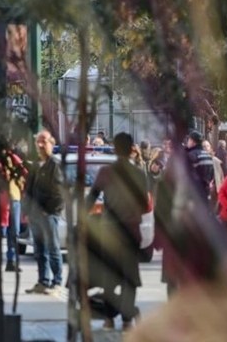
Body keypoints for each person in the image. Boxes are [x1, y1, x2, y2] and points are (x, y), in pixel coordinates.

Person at [86, 133, 149, 330]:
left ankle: (109, 318)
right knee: (129, 277)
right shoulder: (139, 173)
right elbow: (144, 204)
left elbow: (91, 198)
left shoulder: (106, 172)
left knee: (109, 277)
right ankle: (128, 318)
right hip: (131, 230)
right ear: (132, 148)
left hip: (110, 230)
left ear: (114, 148)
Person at [23, 130, 65, 295]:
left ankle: (57, 281)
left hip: (48, 215)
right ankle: (43, 281)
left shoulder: (55, 165)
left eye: (44, 142)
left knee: (52, 247)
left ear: (52, 144)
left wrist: (49, 210)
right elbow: (29, 189)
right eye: (38, 142)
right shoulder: (35, 165)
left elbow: (59, 192)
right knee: (39, 250)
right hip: (35, 216)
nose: (40, 145)